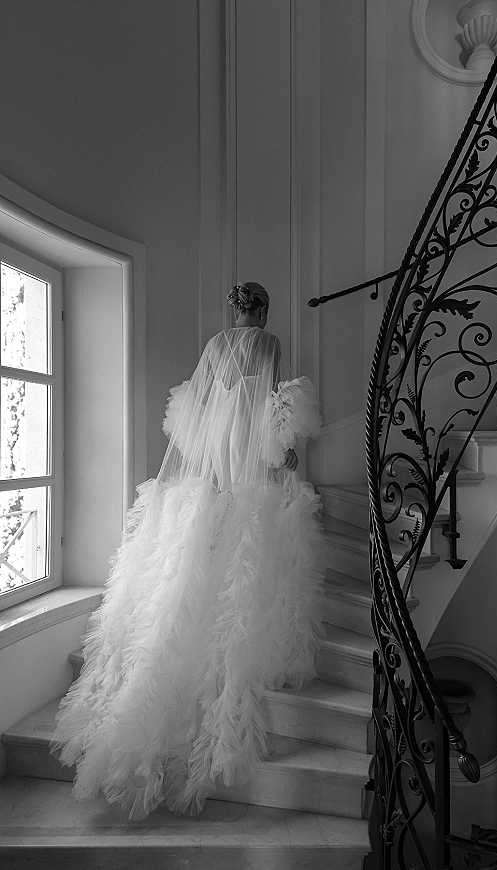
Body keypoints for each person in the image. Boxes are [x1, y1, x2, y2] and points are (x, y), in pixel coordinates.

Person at [50, 282, 325, 821]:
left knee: (207, 523)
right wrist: (281, 453)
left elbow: (202, 408)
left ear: (234, 309)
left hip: (213, 449)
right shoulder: (266, 343)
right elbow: (266, 404)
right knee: (249, 530)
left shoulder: (215, 343)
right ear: (262, 310)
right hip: (246, 444)